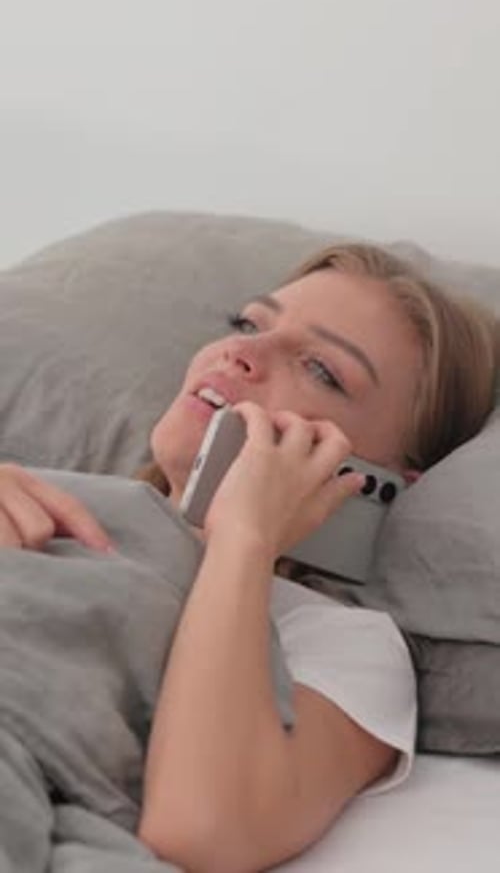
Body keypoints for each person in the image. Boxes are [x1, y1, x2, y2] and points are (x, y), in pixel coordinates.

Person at [0, 243, 497, 873]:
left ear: (375, 481)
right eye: (248, 324)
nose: (243, 352)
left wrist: (242, 539)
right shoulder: (43, 495)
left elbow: (200, 830)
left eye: (321, 369)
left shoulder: (340, 643)